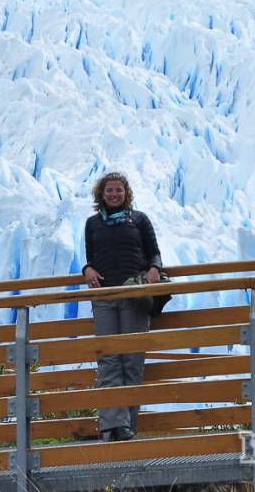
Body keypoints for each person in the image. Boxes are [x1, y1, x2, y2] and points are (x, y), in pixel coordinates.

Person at [82, 171, 163, 442]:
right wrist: (87, 268)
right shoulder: (93, 224)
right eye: (109, 190)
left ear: (126, 193)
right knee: (108, 360)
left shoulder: (139, 220)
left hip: (134, 294)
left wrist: (154, 269)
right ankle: (110, 427)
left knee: (131, 359)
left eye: (119, 190)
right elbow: (90, 258)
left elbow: (154, 252)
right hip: (104, 297)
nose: (114, 194)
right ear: (101, 195)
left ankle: (126, 426)